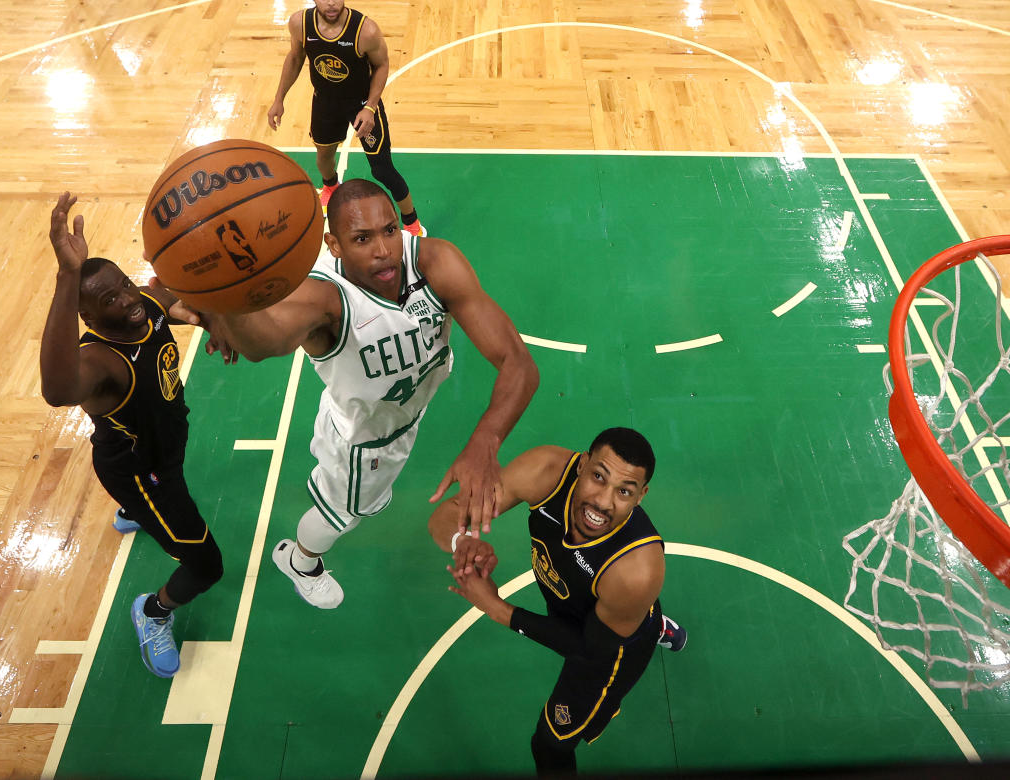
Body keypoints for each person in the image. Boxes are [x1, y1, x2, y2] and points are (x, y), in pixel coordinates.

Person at [187, 178, 539, 609]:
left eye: (390, 230)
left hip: (402, 414)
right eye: (361, 238)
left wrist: (485, 442)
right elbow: (264, 344)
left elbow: (518, 362)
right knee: (344, 516)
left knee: (360, 502)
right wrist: (223, 301)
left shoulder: (435, 262)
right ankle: (301, 560)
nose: (383, 249)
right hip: (363, 441)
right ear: (334, 245)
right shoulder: (325, 298)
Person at [429, 427, 687, 777]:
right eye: (599, 476)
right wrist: (463, 542)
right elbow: (447, 515)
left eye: (624, 491)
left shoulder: (637, 569)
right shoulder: (546, 471)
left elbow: (588, 648)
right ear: (581, 465)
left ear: (641, 496)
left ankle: (646, 626)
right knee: (618, 611)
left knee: (549, 744)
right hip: (591, 605)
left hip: (610, 651)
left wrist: (498, 609)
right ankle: (649, 621)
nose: (603, 502)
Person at [39, 192, 225, 678]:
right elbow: (57, 391)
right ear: (89, 318)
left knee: (141, 453)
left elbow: (168, 293)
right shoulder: (99, 361)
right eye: (109, 300)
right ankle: (152, 611)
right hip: (143, 472)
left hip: (157, 442)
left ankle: (132, 511)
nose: (128, 299)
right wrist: (66, 276)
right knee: (206, 567)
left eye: (123, 284)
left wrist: (209, 315)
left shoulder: (142, 304)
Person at [266, 0, 426, 236]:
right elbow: (295, 58)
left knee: (383, 170)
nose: (331, 3)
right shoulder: (299, 24)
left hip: (361, 104)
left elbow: (382, 66)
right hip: (325, 102)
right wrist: (278, 99)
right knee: (323, 158)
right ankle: (330, 187)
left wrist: (371, 107)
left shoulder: (366, 31)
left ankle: (412, 223)